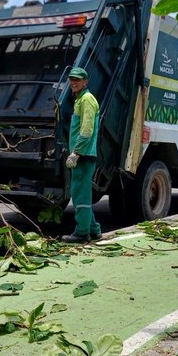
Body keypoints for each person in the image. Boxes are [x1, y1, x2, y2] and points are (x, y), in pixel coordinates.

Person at [62, 67, 102, 243]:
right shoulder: (80, 99)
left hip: (83, 156)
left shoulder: (86, 99)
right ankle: (94, 230)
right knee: (82, 193)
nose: (73, 82)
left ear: (86, 82)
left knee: (80, 195)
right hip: (83, 155)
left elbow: (86, 130)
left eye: (77, 79)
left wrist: (76, 153)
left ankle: (82, 233)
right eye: (71, 79)